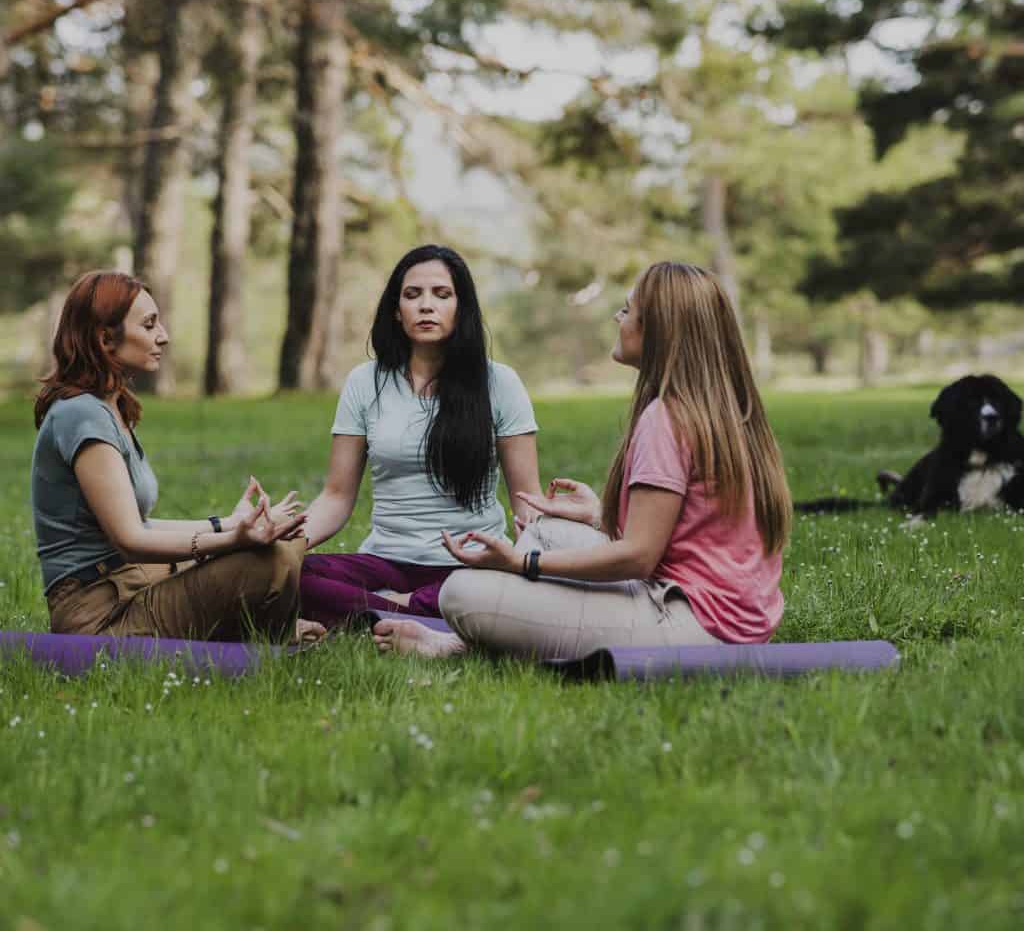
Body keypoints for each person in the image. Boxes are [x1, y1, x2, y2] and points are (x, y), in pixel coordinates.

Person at [373, 261, 792, 660]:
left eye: (628, 310)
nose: (618, 317)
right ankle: (487, 633)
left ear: (657, 331)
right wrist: (599, 516)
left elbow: (638, 557)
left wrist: (521, 563)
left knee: (459, 593)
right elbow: (695, 529)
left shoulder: (666, 418)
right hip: (731, 615)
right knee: (548, 530)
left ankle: (459, 643)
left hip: (695, 626)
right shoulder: (721, 406)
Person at [32, 270, 323, 643]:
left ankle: (267, 631)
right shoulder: (80, 414)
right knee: (274, 560)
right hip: (99, 612)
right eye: (150, 324)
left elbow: (141, 524)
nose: (163, 336)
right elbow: (131, 539)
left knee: (286, 543)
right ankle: (272, 636)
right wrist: (235, 540)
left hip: (132, 580)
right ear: (105, 339)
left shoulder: (110, 407)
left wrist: (227, 525)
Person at [299, 244, 542, 628]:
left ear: (462, 308)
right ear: (396, 311)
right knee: (293, 578)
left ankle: (377, 612)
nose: (426, 306)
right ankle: (411, 611)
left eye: (441, 295)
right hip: (385, 564)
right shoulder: (365, 382)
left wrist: (529, 564)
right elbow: (336, 496)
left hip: (469, 566)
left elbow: (528, 502)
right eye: (413, 295)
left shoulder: (501, 383)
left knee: (494, 591)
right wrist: (286, 548)